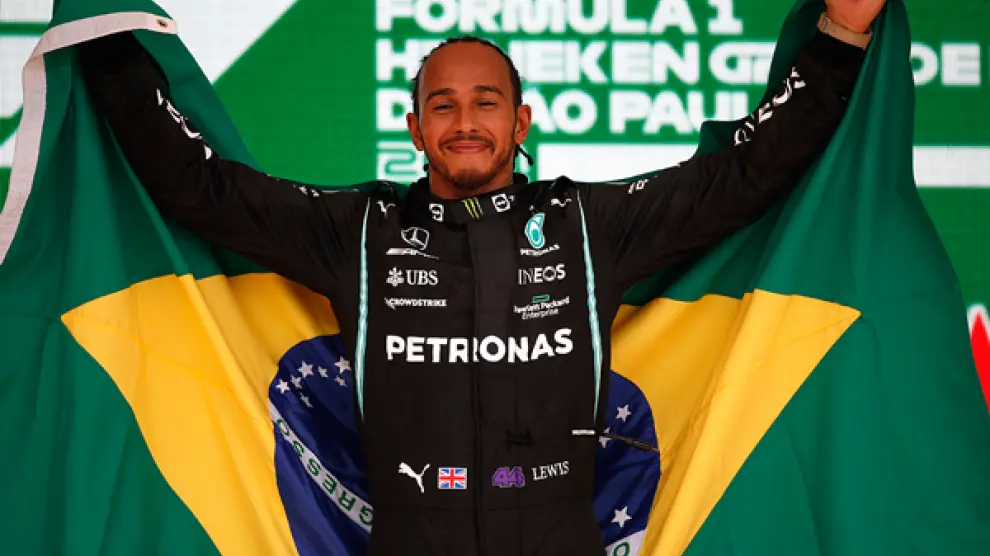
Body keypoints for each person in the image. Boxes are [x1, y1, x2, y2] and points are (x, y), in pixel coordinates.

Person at [78, 1, 884, 554]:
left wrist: (842, 32)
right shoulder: (358, 230)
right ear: (415, 127)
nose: (465, 122)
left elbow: (743, 175)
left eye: (487, 103)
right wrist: (105, 35)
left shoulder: (587, 226)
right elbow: (202, 189)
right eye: (444, 105)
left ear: (520, 121)